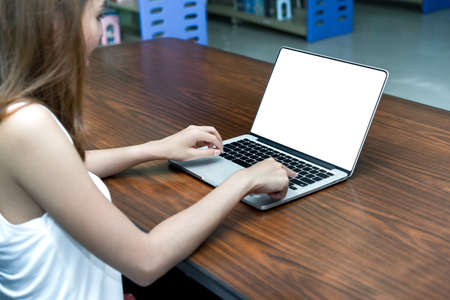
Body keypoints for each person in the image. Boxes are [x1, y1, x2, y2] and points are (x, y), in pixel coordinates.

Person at [0, 0, 296, 299]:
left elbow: (70, 167)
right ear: (56, 25)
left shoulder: (14, 113)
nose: (100, 31)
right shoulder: (28, 126)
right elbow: (146, 259)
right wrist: (244, 179)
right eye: (98, 15)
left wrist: (156, 148)